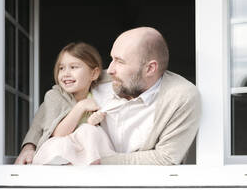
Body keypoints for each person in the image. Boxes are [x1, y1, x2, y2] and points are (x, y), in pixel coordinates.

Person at [15, 27, 201, 165]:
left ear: (150, 68)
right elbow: (56, 96)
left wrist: (96, 161)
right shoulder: (98, 79)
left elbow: (165, 158)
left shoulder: (181, 97)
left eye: (119, 61)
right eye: (112, 58)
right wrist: (29, 145)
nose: (110, 69)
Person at [17, 42, 115, 165]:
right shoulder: (55, 96)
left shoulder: (97, 94)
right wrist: (81, 106)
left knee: (92, 131)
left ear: (94, 74)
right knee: (86, 131)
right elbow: (58, 134)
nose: (66, 73)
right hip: (61, 149)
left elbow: (113, 75)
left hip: (86, 152)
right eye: (61, 68)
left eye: (74, 67)